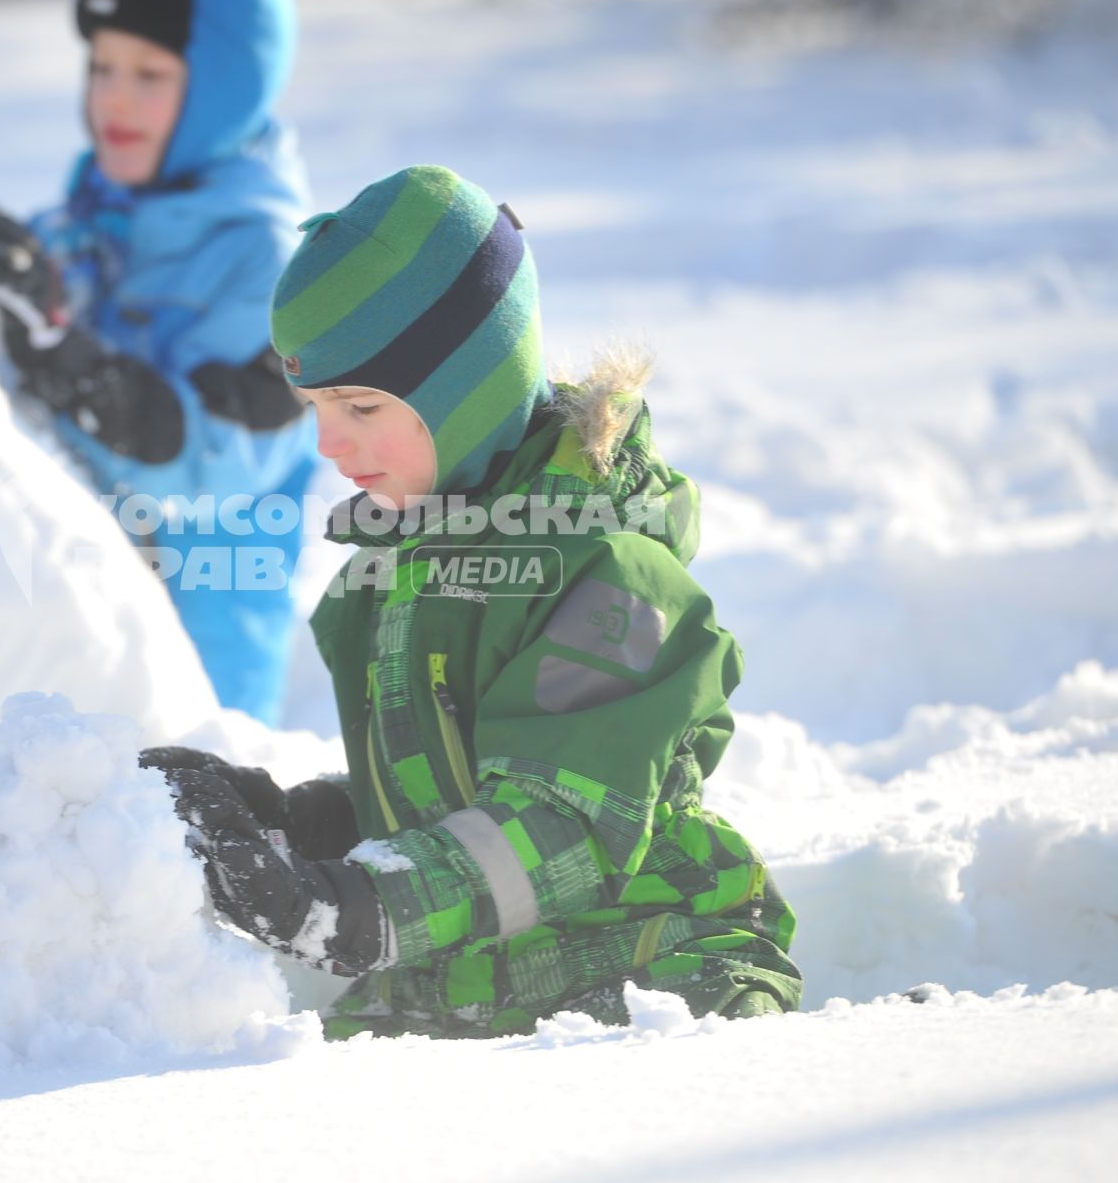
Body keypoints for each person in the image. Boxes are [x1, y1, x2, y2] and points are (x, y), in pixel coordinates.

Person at [145, 165, 803, 1038]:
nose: (329, 441)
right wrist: (300, 827)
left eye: (361, 403)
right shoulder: (405, 570)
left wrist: (348, 911)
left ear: (467, 387)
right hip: (467, 983)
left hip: (648, 973)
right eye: (313, 404)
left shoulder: (614, 578)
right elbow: (445, 787)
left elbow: (559, 823)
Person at [0, 0, 315, 725]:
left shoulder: (270, 265)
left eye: (151, 75)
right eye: (101, 68)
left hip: (204, 683)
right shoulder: (78, 228)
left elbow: (212, 469)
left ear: (224, 87)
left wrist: (75, 366)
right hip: (80, 650)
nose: (114, 99)